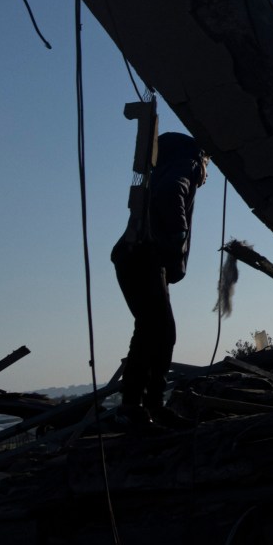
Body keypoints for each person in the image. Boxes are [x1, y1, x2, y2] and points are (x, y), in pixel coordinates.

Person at [111, 131, 206, 430]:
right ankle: (135, 407)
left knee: (158, 330)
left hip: (134, 256)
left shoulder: (165, 168)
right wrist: (177, 239)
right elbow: (170, 193)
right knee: (157, 329)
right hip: (144, 256)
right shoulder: (186, 165)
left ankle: (149, 405)